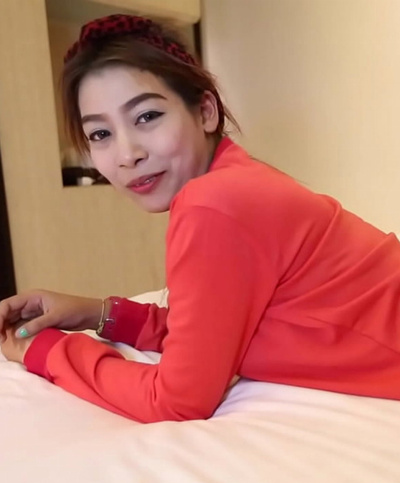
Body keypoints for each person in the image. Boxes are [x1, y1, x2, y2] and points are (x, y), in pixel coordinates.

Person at [1, 14, 400, 423]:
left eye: (147, 116)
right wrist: (98, 313)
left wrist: (43, 350)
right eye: (100, 134)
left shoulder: (213, 202)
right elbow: (209, 330)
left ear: (206, 111)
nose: (127, 154)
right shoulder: (236, 179)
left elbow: (176, 400)